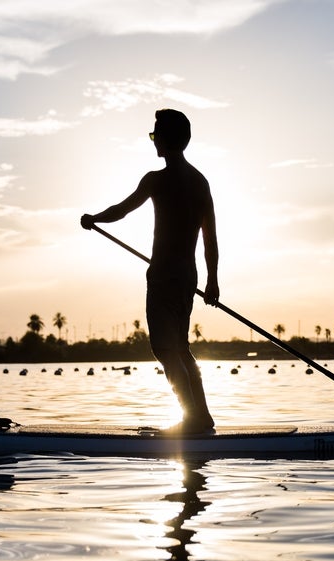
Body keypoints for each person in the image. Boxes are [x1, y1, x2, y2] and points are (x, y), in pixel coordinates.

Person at [81, 109, 220, 433]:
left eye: (155, 134)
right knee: (181, 347)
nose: (153, 140)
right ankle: (202, 417)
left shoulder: (156, 179)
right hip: (189, 276)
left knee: (164, 347)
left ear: (167, 139)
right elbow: (210, 237)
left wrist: (93, 218)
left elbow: (121, 210)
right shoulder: (200, 182)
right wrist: (212, 280)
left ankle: (192, 420)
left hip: (163, 275)